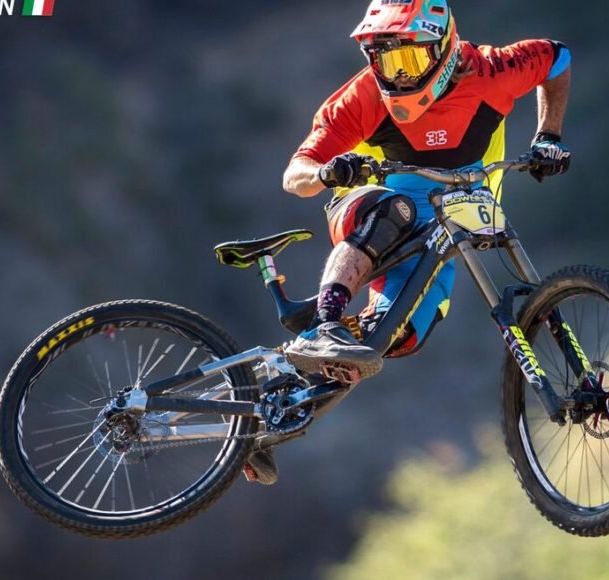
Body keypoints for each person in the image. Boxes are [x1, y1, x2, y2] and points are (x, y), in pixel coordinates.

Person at [244, 0, 572, 484]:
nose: (396, 75)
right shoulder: (364, 95)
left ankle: (264, 421)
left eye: (409, 59)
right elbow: (295, 175)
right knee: (393, 211)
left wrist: (549, 136)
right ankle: (327, 321)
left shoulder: (492, 70)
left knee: (392, 338)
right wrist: (328, 172)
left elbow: (556, 58)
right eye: (383, 60)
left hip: (450, 219)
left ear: (444, 48)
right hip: (371, 205)